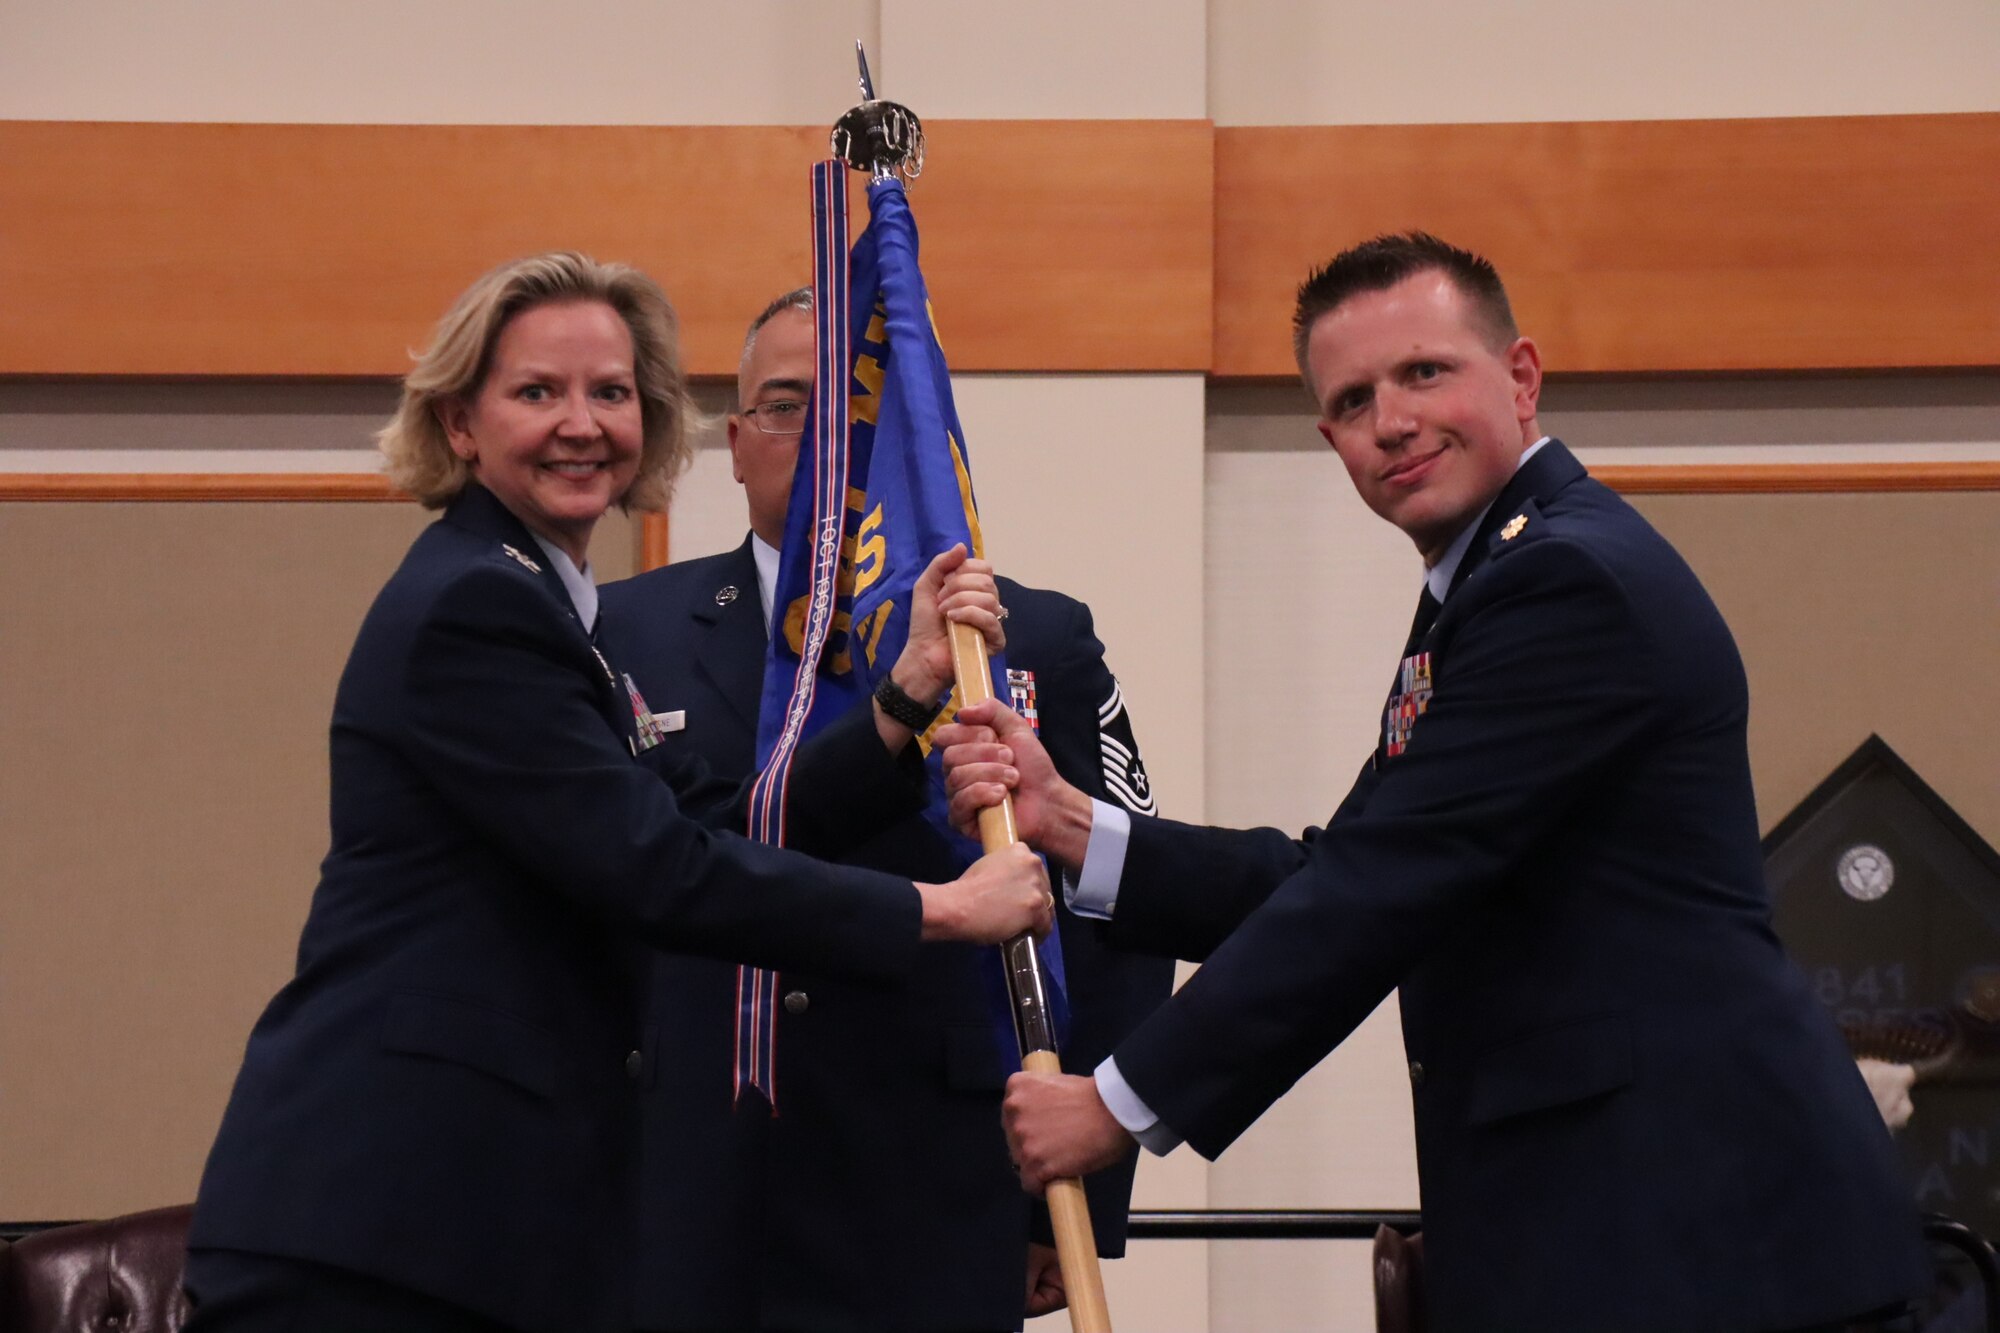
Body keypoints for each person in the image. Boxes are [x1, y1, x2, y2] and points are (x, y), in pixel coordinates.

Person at [942, 233, 1932, 1330]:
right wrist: (1075, 826)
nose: (1392, 420)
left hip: (1705, 1243)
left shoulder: (1564, 581)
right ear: (1331, 438)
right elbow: (1345, 868)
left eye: (1424, 372)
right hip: (1626, 1239)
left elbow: (1376, 890)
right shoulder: (1492, 580)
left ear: (1518, 375)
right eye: (1355, 399)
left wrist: (1117, 1102)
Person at [181, 252, 1052, 1333]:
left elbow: (723, 820)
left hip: (475, 1222)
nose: (582, 424)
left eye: (611, 392)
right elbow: (659, 868)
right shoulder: (473, 609)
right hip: (383, 1223)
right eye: (536, 392)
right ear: (460, 423)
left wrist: (904, 694)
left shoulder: (552, 607)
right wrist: (944, 910)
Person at [596, 288, 1174, 1332]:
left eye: (865, 408)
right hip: (686, 1180)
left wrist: (1079, 1192)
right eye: (788, 406)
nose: (828, 436)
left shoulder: (1030, 638)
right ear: (731, 443)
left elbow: (1116, 918)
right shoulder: (622, 629)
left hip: (941, 1179)